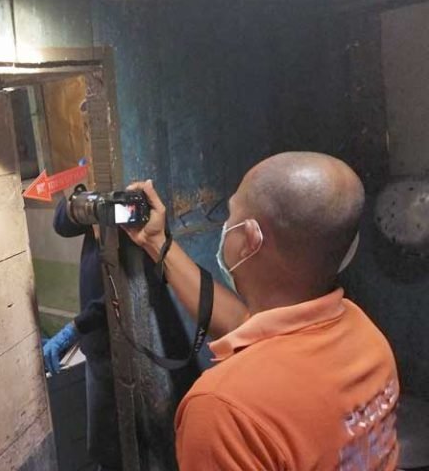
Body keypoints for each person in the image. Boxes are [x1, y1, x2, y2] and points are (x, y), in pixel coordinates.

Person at [125, 152, 399, 470]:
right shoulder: (365, 335)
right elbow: (243, 326)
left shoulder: (223, 410)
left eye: (231, 215)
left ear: (250, 239)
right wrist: (157, 242)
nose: (226, 226)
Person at [42, 195, 122, 470]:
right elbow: (61, 224)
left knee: (111, 447)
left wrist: (75, 328)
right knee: (100, 445)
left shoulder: (128, 214)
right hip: (96, 347)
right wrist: (85, 205)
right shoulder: (98, 204)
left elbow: (117, 291)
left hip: (119, 347)